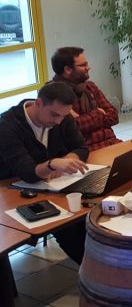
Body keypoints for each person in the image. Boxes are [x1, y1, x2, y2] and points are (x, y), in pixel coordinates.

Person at [0, 82, 90, 264]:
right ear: (38, 103)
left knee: (87, 216)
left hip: (49, 187)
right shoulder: (7, 125)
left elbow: (81, 147)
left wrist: (69, 159)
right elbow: (27, 172)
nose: (58, 121)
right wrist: (52, 164)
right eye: (54, 115)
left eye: (63, 116)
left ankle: (107, 267)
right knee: (68, 226)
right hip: (12, 190)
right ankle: (95, 273)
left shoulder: (62, 117)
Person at [50, 47, 121, 151]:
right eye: (83, 65)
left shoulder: (90, 87)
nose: (88, 68)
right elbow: (71, 128)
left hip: (112, 143)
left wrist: (84, 120)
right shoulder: (53, 94)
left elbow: (114, 116)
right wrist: (98, 114)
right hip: (88, 151)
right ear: (68, 69)